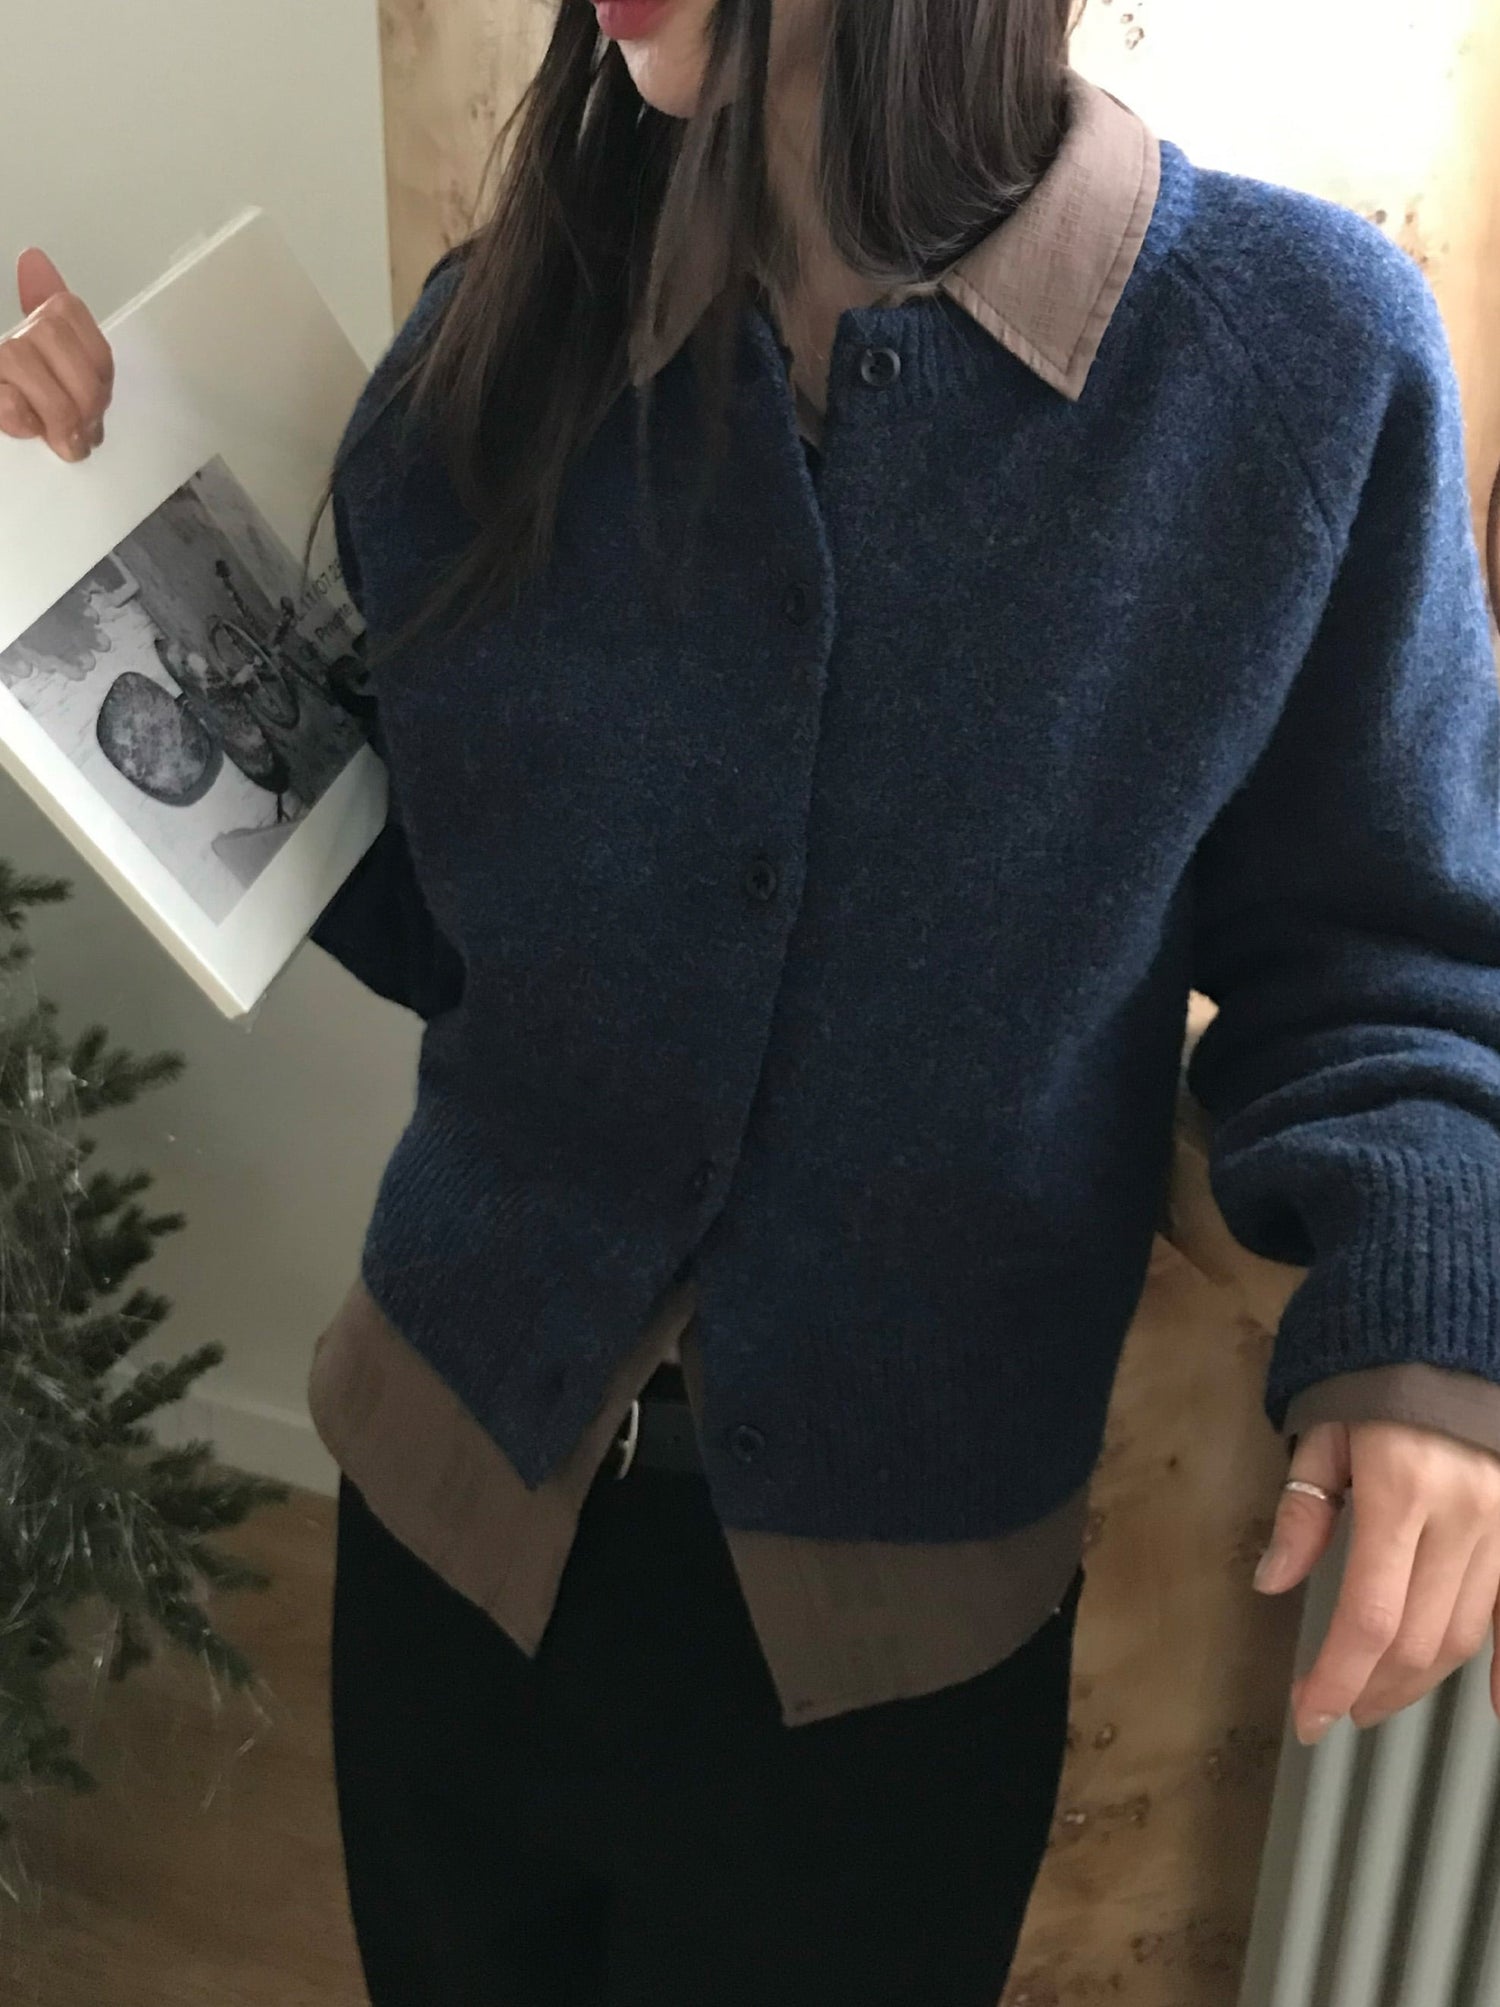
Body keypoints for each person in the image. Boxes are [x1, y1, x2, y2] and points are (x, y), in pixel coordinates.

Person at [9, 2, 1500, 2000]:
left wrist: (1426, 1335)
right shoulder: (497, 345)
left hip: (891, 1634)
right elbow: (450, 915)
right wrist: (104, 521)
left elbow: (1396, 944)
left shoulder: (1288, 361)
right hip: (444, 1517)